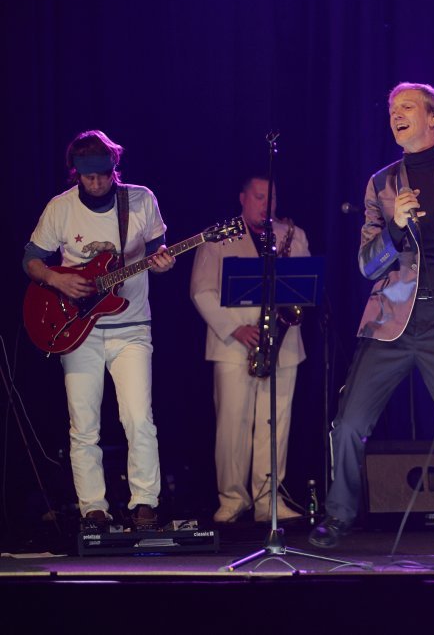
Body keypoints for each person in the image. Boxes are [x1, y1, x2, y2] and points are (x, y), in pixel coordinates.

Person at [308, 82, 434, 569]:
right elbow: (367, 265)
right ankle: (339, 515)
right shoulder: (381, 183)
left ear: (433, 118)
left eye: (406, 107)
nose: (395, 115)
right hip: (393, 320)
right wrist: (396, 227)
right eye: (391, 109)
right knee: (349, 423)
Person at [23, 130, 176, 531]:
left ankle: (145, 503)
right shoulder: (60, 208)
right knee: (84, 423)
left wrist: (164, 261)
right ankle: (93, 508)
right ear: (76, 173)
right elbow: (32, 259)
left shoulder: (140, 200)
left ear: (114, 168)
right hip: (78, 329)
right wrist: (56, 279)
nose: (97, 183)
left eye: (104, 175)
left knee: (138, 418)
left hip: (132, 326)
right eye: (89, 177)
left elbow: (159, 250)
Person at [190, 177, 310, 523]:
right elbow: (201, 291)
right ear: (242, 198)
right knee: (232, 424)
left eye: (271, 199)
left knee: (276, 425)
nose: (266, 205)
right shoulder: (219, 236)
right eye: (259, 197)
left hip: (283, 345)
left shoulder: (293, 235)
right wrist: (235, 328)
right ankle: (232, 498)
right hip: (234, 345)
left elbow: (302, 284)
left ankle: (268, 500)